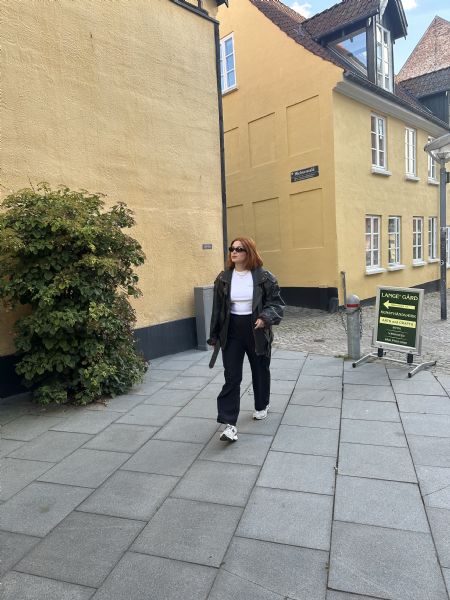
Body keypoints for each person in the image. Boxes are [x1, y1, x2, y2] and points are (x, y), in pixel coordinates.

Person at [208, 236, 284, 442]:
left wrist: (265, 318)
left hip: (256, 329)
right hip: (231, 330)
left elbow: (276, 304)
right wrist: (214, 335)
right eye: (232, 248)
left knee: (260, 370)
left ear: (249, 252)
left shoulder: (264, 277)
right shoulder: (224, 278)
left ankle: (262, 404)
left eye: (239, 249)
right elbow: (217, 310)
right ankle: (229, 423)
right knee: (232, 376)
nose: (234, 252)